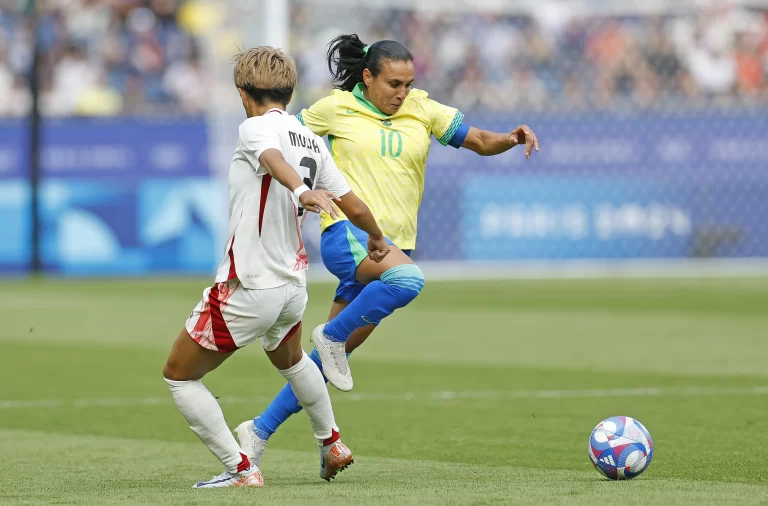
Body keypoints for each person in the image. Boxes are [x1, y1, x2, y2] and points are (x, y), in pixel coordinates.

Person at [236, 34, 539, 469]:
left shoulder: (423, 109)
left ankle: (263, 433)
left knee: (319, 365)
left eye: (408, 83)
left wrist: (510, 138)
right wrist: (296, 189)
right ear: (367, 76)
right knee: (408, 280)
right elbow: (281, 135)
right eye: (393, 83)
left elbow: (477, 140)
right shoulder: (334, 108)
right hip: (348, 235)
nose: (402, 93)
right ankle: (333, 337)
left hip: (390, 247)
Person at [161, 46, 390, 488]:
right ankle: (332, 442)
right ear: (290, 90)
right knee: (291, 360)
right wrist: (376, 236)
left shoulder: (253, 128)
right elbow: (352, 202)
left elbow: (272, 161)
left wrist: (301, 191)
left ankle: (240, 469)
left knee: (179, 375)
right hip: (292, 285)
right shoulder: (310, 138)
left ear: (242, 93)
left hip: (250, 283)